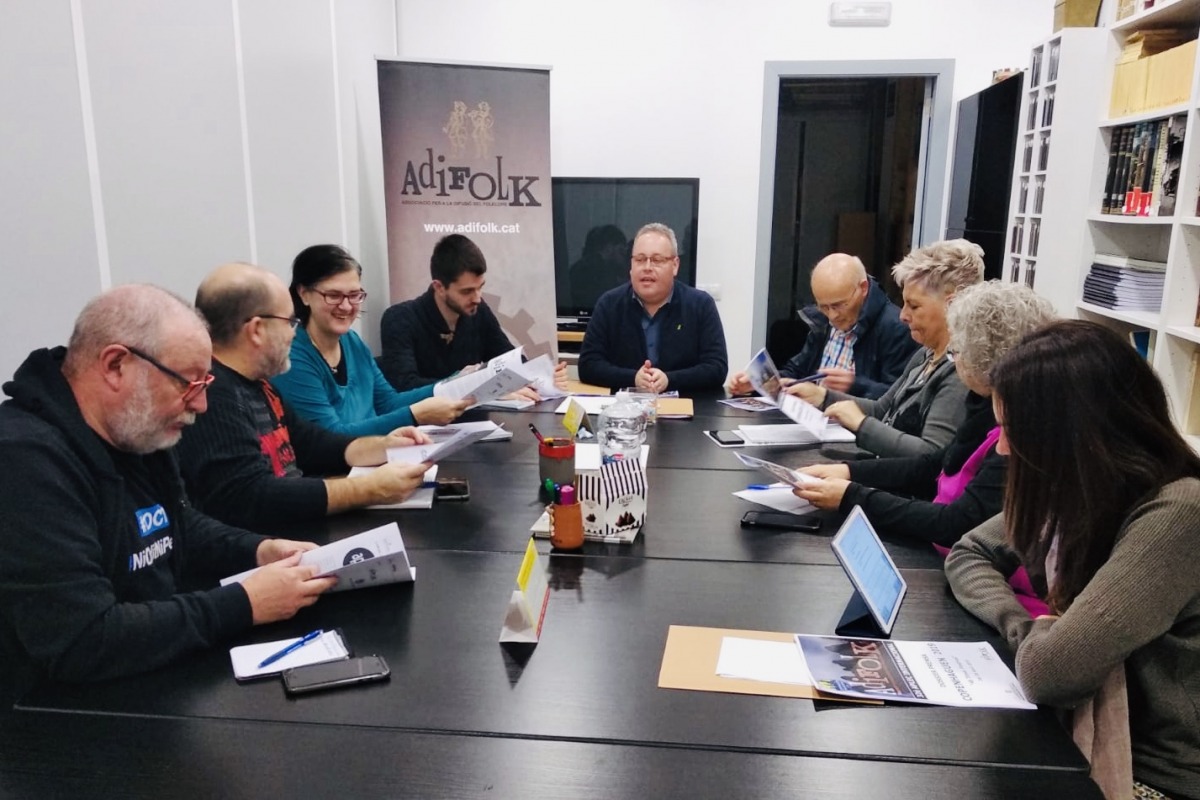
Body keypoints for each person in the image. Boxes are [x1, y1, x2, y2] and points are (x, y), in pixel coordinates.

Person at [0, 285, 336, 701]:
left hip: (151, 675)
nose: (202, 405)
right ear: (116, 365)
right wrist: (244, 603)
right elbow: (83, 640)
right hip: (50, 713)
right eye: (188, 383)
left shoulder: (134, 429)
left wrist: (258, 550)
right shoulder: (24, 461)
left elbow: (176, 525)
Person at [946, 320, 1200, 800]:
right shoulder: (1078, 489)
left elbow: (1052, 673)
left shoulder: (1179, 513)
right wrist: (1025, 626)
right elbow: (969, 552)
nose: (1001, 447)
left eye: (1011, 430)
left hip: (1154, 775)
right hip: (1079, 735)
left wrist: (1047, 640)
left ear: (1069, 432)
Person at [795, 282, 1056, 550]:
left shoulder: (1014, 435)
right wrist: (849, 472)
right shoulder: (984, 405)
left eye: (956, 352)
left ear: (984, 359)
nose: (955, 359)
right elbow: (932, 464)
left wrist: (852, 496)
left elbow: (954, 523)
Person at [177, 263, 433, 532]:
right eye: (289, 322)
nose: (293, 333)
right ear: (257, 330)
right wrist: (370, 489)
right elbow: (250, 497)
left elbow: (312, 444)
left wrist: (385, 447)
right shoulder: (212, 398)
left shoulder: (259, 385)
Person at [784, 240, 983, 458]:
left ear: (951, 305)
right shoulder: (925, 355)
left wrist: (862, 425)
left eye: (914, 306)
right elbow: (881, 409)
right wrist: (822, 396)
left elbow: (931, 454)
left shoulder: (960, 371)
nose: (903, 315)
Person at [269, 244, 470, 436]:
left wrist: (453, 383)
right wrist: (414, 415)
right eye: (333, 295)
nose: (346, 306)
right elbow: (329, 437)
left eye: (354, 295)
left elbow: (387, 403)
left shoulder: (352, 342)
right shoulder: (292, 356)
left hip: (374, 456)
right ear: (304, 294)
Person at [379, 234, 566, 394]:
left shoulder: (478, 311)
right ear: (439, 287)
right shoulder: (399, 319)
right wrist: (477, 387)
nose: (477, 298)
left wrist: (539, 376)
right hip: (424, 423)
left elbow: (507, 358)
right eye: (467, 291)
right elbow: (404, 386)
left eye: (480, 287)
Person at [728, 253, 915, 400]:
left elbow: (901, 399)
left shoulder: (897, 327)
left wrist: (855, 385)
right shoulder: (822, 322)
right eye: (824, 306)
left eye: (839, 305)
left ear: (863, 288)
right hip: (812, 418)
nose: (832, 315)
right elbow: (797, 372)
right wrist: (760, 383)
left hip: (854, 428)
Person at [577, 222, 728, 392]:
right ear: (631, 265)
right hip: (625, 405)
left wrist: (669, 379)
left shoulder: (700, 305)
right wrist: (633, 378)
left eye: (657, 260)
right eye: (640, 260)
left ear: (675, 265)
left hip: (686, 404)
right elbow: (588, 365)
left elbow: (716, 368)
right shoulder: (609, 304)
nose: (647, 268)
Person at [568, 224, 629, 310]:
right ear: (609, 248)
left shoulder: (578, 267)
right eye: (621, 251)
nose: (623, 257)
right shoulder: (602, 271)